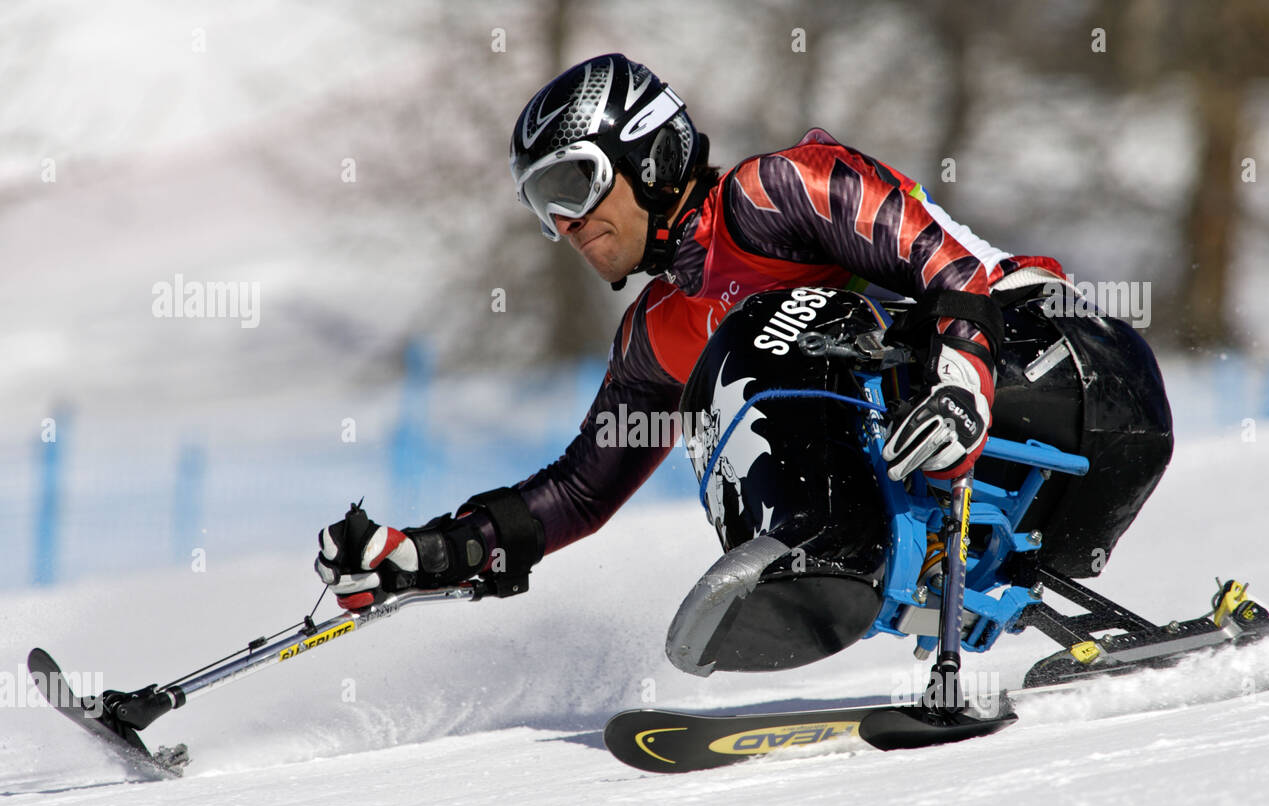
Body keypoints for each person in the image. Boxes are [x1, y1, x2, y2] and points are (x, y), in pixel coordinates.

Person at [314, 53, 1171, 674]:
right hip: (998, 493)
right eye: (543, 207)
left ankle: (828, 545)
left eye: (573, 186)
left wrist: (962, 384)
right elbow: (578, 490)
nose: (565, 223)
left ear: (648, 157)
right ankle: (831, 555)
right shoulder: (659, 332)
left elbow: (948, 268)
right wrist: (426, 554)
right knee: (717, 388)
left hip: (1070, 375)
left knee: (754, 333)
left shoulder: (772, 195)